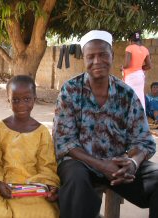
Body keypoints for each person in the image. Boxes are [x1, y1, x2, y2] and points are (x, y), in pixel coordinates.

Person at [53, 30, 158, 218]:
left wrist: (133, 162)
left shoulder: (126, 94)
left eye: (103, 54)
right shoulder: (70, 90)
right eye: (90, 56)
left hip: (118, 167)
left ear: (111, 56)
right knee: (75, 181)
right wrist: (102, 166)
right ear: (84, 58)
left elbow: (144, 140)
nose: (97, 61)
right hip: (80, 163)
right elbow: (64, 141)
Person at [0, 75, 60, 218]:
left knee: (47, 213)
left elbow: (47, 166)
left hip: (34, 187)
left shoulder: (42, 132)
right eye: (15, 100)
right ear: (8, 100)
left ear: (34, 99)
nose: (21, 105)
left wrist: (49, 186)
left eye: (27, 99)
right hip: (4, 187)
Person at [122, 30, 152, 111]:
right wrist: (139, 68)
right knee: (140, 96)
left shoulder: (129, 48)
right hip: (140, 75)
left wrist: (122, 67)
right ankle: (141, 118)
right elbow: (149, 66)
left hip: (130, 76)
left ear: (131, 41)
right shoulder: (145, 49)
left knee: (129, 96)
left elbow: (127, 64)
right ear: (140, 40)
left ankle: (129, 117)